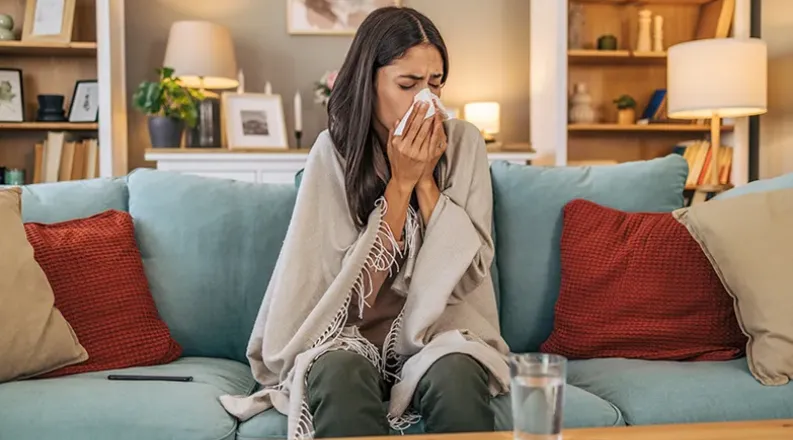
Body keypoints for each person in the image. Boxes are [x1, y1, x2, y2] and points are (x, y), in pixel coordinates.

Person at [219, 6, 510, 440]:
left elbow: (469, 274)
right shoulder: (332, 153)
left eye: (435, 83)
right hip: (346, 337)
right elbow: (345, 298)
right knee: (338, 373)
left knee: (456, 375)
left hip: (438, 330)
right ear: (368, 82)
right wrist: (400, 184)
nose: (425, 99)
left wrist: (425, 180)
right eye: (408, 84)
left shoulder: (465, 144)